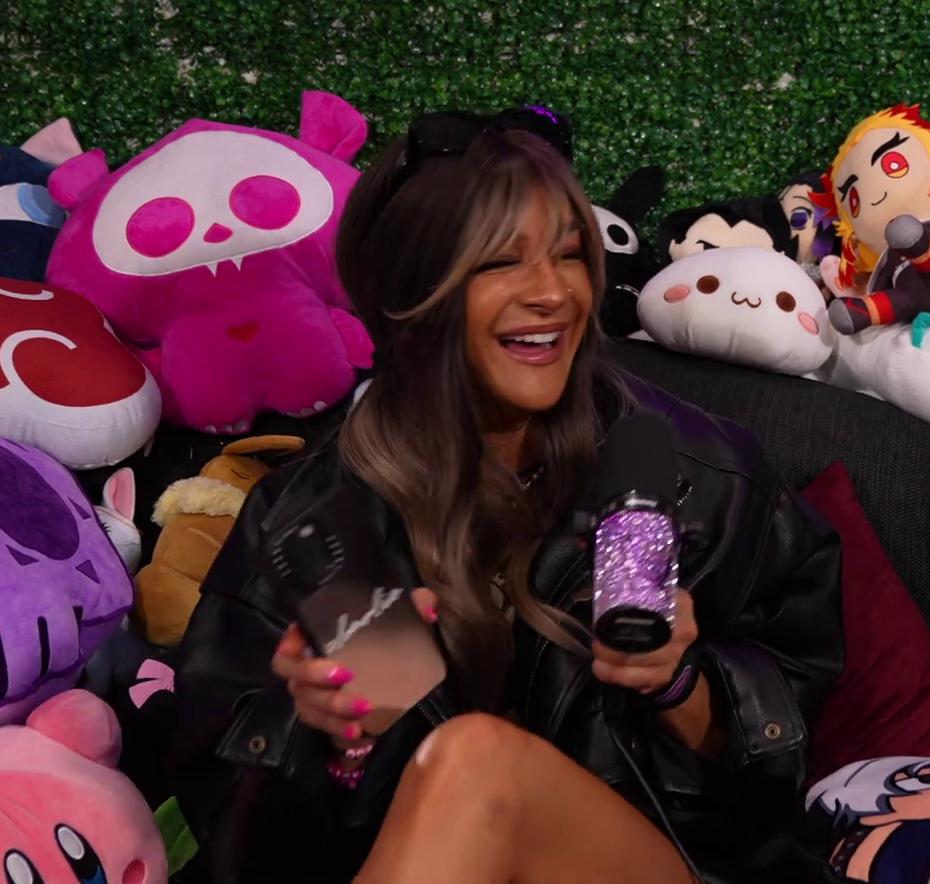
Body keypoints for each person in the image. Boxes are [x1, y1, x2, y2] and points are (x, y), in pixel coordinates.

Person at [170, 109, 844, 884]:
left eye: (570, 253)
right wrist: (335, 739)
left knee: (476, 761)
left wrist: (680, 682)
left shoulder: (700, 477)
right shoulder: (321, 523)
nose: (553, 292)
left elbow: (781, 767)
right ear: (409, 300)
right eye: (501, 262)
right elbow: (235, 843)